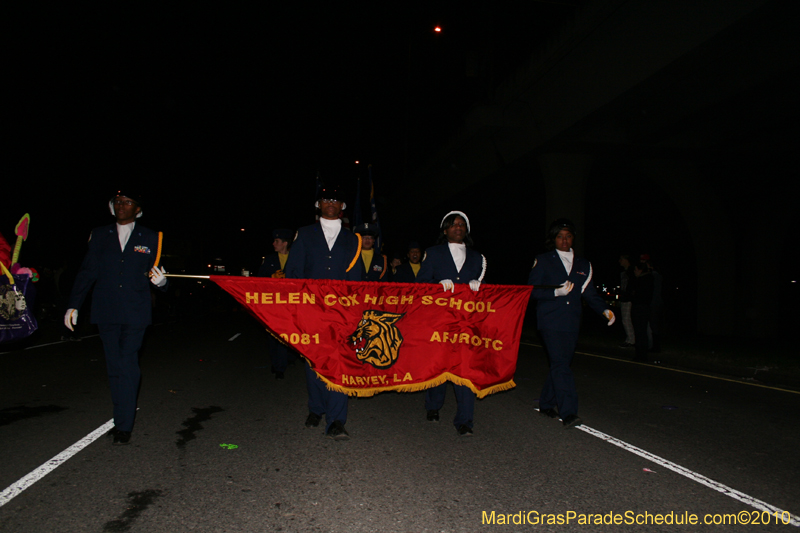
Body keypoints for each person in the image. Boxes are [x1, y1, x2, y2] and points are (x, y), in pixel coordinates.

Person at [64, 191, 168, 445]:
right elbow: (88, 271)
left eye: (127, 202)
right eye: (118, 202)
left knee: (127, 362)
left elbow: (158, 274)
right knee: (114, 367)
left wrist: (162, 283)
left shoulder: (152, 237)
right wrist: (73, 305)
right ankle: (120, 417)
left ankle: (124, 424)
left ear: (138, 209)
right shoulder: (99, 234)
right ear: (112, 207)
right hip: (106, 310)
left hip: (135, 311)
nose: (122, 206)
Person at [284, 186, 363, 440]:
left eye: (336, 200)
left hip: (341, 312)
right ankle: (316, 409)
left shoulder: (353, 239)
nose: (331, 203)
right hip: (310, 310)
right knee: (313, 362)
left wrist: (354, 311)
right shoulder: (305, 234)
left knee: (339, 363)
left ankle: (337, 420)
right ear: (319, 204)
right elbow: (293, 273)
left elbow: (357, 280)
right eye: (326, 199)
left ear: (343, 207)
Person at [528, 219, 614, 429]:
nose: (564, 240)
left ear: (573, 238)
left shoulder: (584, 264)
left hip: (571, 321)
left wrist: (604, 309)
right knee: (560, 364)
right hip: (550, 320)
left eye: (567, 236)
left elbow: (589, 293)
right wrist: (555, 292)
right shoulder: (543, 260)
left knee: (561, 364)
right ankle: (568, 412)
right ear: (553, 239)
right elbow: (531, 291)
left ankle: (547, 403)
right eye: (560, 236)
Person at [416, 211, 485, 436]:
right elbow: (420, 285)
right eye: (453, 224)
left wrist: (478, 286)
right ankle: (433, 406)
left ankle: (465, 420)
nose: (458, 227)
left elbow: (485, 294)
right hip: (439, 320)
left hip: (466, 322)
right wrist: (437, 285)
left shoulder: (478, 258)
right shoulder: (433, 253)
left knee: (464, 369)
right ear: (445, 230)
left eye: (462, 224)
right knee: (439, 364)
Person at [257, 229, 295, 379]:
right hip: (273, 305)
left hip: (291, 304)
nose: (274, 244)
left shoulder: (295, 258)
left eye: (277, 242)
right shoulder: (269, 259)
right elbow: (259, 280)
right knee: (274, 336)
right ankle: (278, 365)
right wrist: (271, 278)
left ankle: (286, 361)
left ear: (285, 243)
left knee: (290, 334)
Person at [630, 260, 654, 363]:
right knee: (641, 331)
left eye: (636, 270)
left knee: (640, 331)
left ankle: (640, 354)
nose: (634, 272)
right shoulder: (648, 279)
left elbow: (636, 294)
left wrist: (633, 296)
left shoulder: (642, 280)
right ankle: (641, 353)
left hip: (640, 307)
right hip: (644, 307)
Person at [618, 254, 635, 347]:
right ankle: (630, 339)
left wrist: (629, 295)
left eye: (621, 259)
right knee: (625, 319)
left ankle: (631, 340)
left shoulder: (631, 271)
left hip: (628, 299)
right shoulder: (624, 272)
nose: (620, 261)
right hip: (625, 298)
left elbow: (631, 286)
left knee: (627, 319)